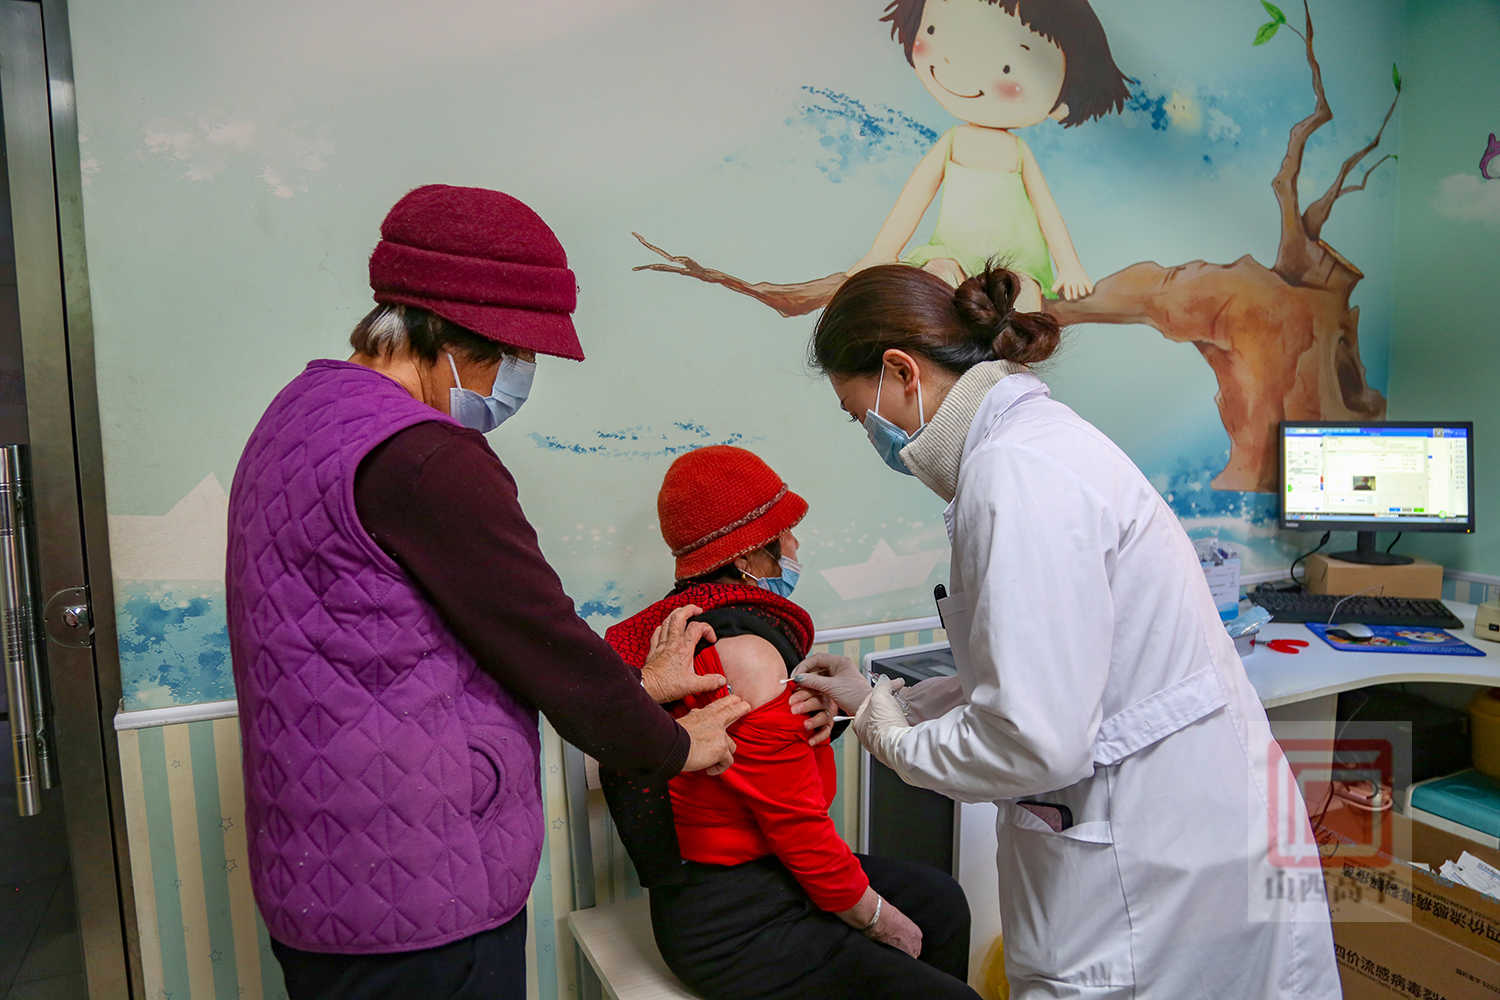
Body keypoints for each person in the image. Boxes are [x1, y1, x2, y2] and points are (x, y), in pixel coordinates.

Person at [225, 185, 776, 999]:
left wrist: (636, 687)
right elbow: (538, 634)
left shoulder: (302, 414)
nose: (520, 378)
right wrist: (671, 746)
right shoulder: (426, 457)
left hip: (322, 870)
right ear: (456, 338)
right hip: (419, 887)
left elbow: (400, 636)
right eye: (518, 357)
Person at [794, 264, 1341, 999]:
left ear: (901, 372)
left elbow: (1036, 737)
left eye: (857, 413)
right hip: (1180, 830)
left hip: (1149, 861)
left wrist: (887, 733)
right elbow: (1051, 668)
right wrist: (886, 699)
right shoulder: (1031, 446)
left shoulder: (1016, 472)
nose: (869, 433)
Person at [602, 446, 980, 1000]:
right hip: (732, 917)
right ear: (749, 553)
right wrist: (878, 918)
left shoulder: (690, 625)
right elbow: (795, 823)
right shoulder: (748, 653)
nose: (797, 545)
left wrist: (833, 714)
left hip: (767, 870)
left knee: (941, 902)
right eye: (787, 533)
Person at [849, 0, 1131, 307]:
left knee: (1023, 295)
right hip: (952, 252)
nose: (957, 67)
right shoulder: (953, 142)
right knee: (937, 278)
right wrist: (882, 252)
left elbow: (1047, 212)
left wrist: (1069, 265)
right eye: (934, 30)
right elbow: (915, 197)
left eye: (1007, 68)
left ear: (1063, 101)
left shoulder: (1018, 153)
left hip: (1016, 261)